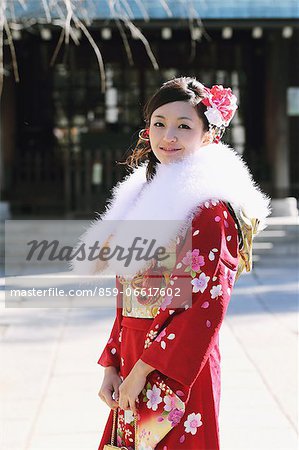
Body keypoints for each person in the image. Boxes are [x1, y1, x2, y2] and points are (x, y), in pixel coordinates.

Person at [71, 77, 271, 449]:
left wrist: (144, 370)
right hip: (135, 353)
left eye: (184, 126)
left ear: (208, 135)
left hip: (176, 361)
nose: (169, 135)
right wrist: (113, 363)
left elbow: (204, 305)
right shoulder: (140, 198)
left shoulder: (209, 209)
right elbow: (127, 292)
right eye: (159, 123)